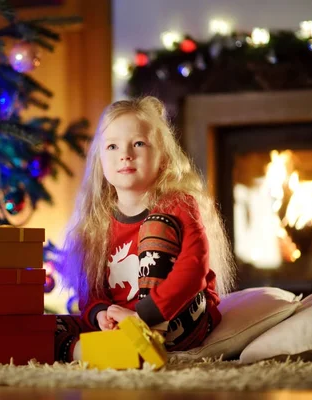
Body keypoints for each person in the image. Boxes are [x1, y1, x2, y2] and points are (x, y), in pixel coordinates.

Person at [55, 96, 236, 362]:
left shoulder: (178, 204)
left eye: (138, 143)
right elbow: (91, 292)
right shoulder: (97, 221)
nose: (125, 154)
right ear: (100, 160)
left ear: (162, 155)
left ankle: (140, 342)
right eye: (113, 146)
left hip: (177, 319)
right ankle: (92, 352)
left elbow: (193, 270)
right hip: (123, 325)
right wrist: (101, 313)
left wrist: (144, 317)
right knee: (41, 327)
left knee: (156, 226)